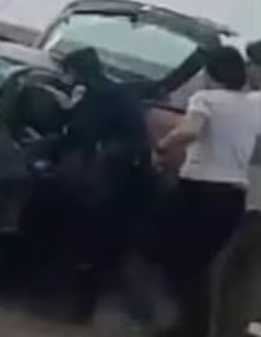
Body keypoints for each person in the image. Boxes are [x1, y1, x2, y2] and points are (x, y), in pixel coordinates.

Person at [152, 47, 261, 337]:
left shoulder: (209, 99)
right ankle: (201, 327)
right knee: (216, 269)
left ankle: (189, 326)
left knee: (188, 263)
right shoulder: (252, 105)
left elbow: (189, 131)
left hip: (207, 192)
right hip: (236, 196)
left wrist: (161, 148)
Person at [55, 47, 154, 321]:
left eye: (68, 73)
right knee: (111, 247)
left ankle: (80, 310)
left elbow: (80, 134)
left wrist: (65, 120)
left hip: (105, 178)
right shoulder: (118, 92)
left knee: (88, 242)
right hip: (131, 178)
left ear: (76, 72)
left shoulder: (92, 94)